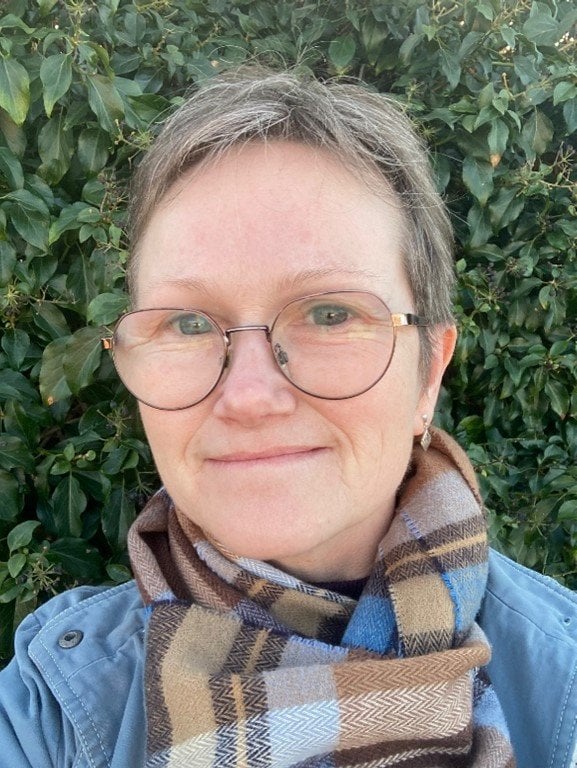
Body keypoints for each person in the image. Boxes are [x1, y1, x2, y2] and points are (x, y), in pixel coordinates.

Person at [0, 68, 576, 768]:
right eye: (187, 323)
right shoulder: (47, 710)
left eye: (330, 314)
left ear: (428, 372)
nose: (248, 396)